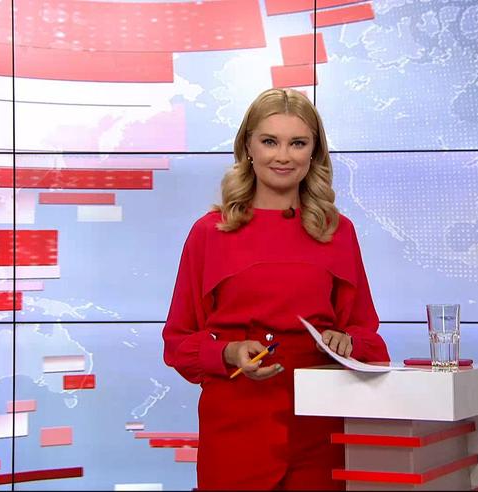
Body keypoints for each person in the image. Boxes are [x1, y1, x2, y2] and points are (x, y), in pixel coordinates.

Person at [162, 88, 391, 490]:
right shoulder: (209, 233)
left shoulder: (337, 232)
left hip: (319, 430)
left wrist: (347, 342)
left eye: (297, 143)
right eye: (270, 141)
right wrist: (228, 352)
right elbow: (178, 342)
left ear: (314, 152)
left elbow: (366, 334)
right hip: (235, 429)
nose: (283, 156)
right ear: (248, 147)